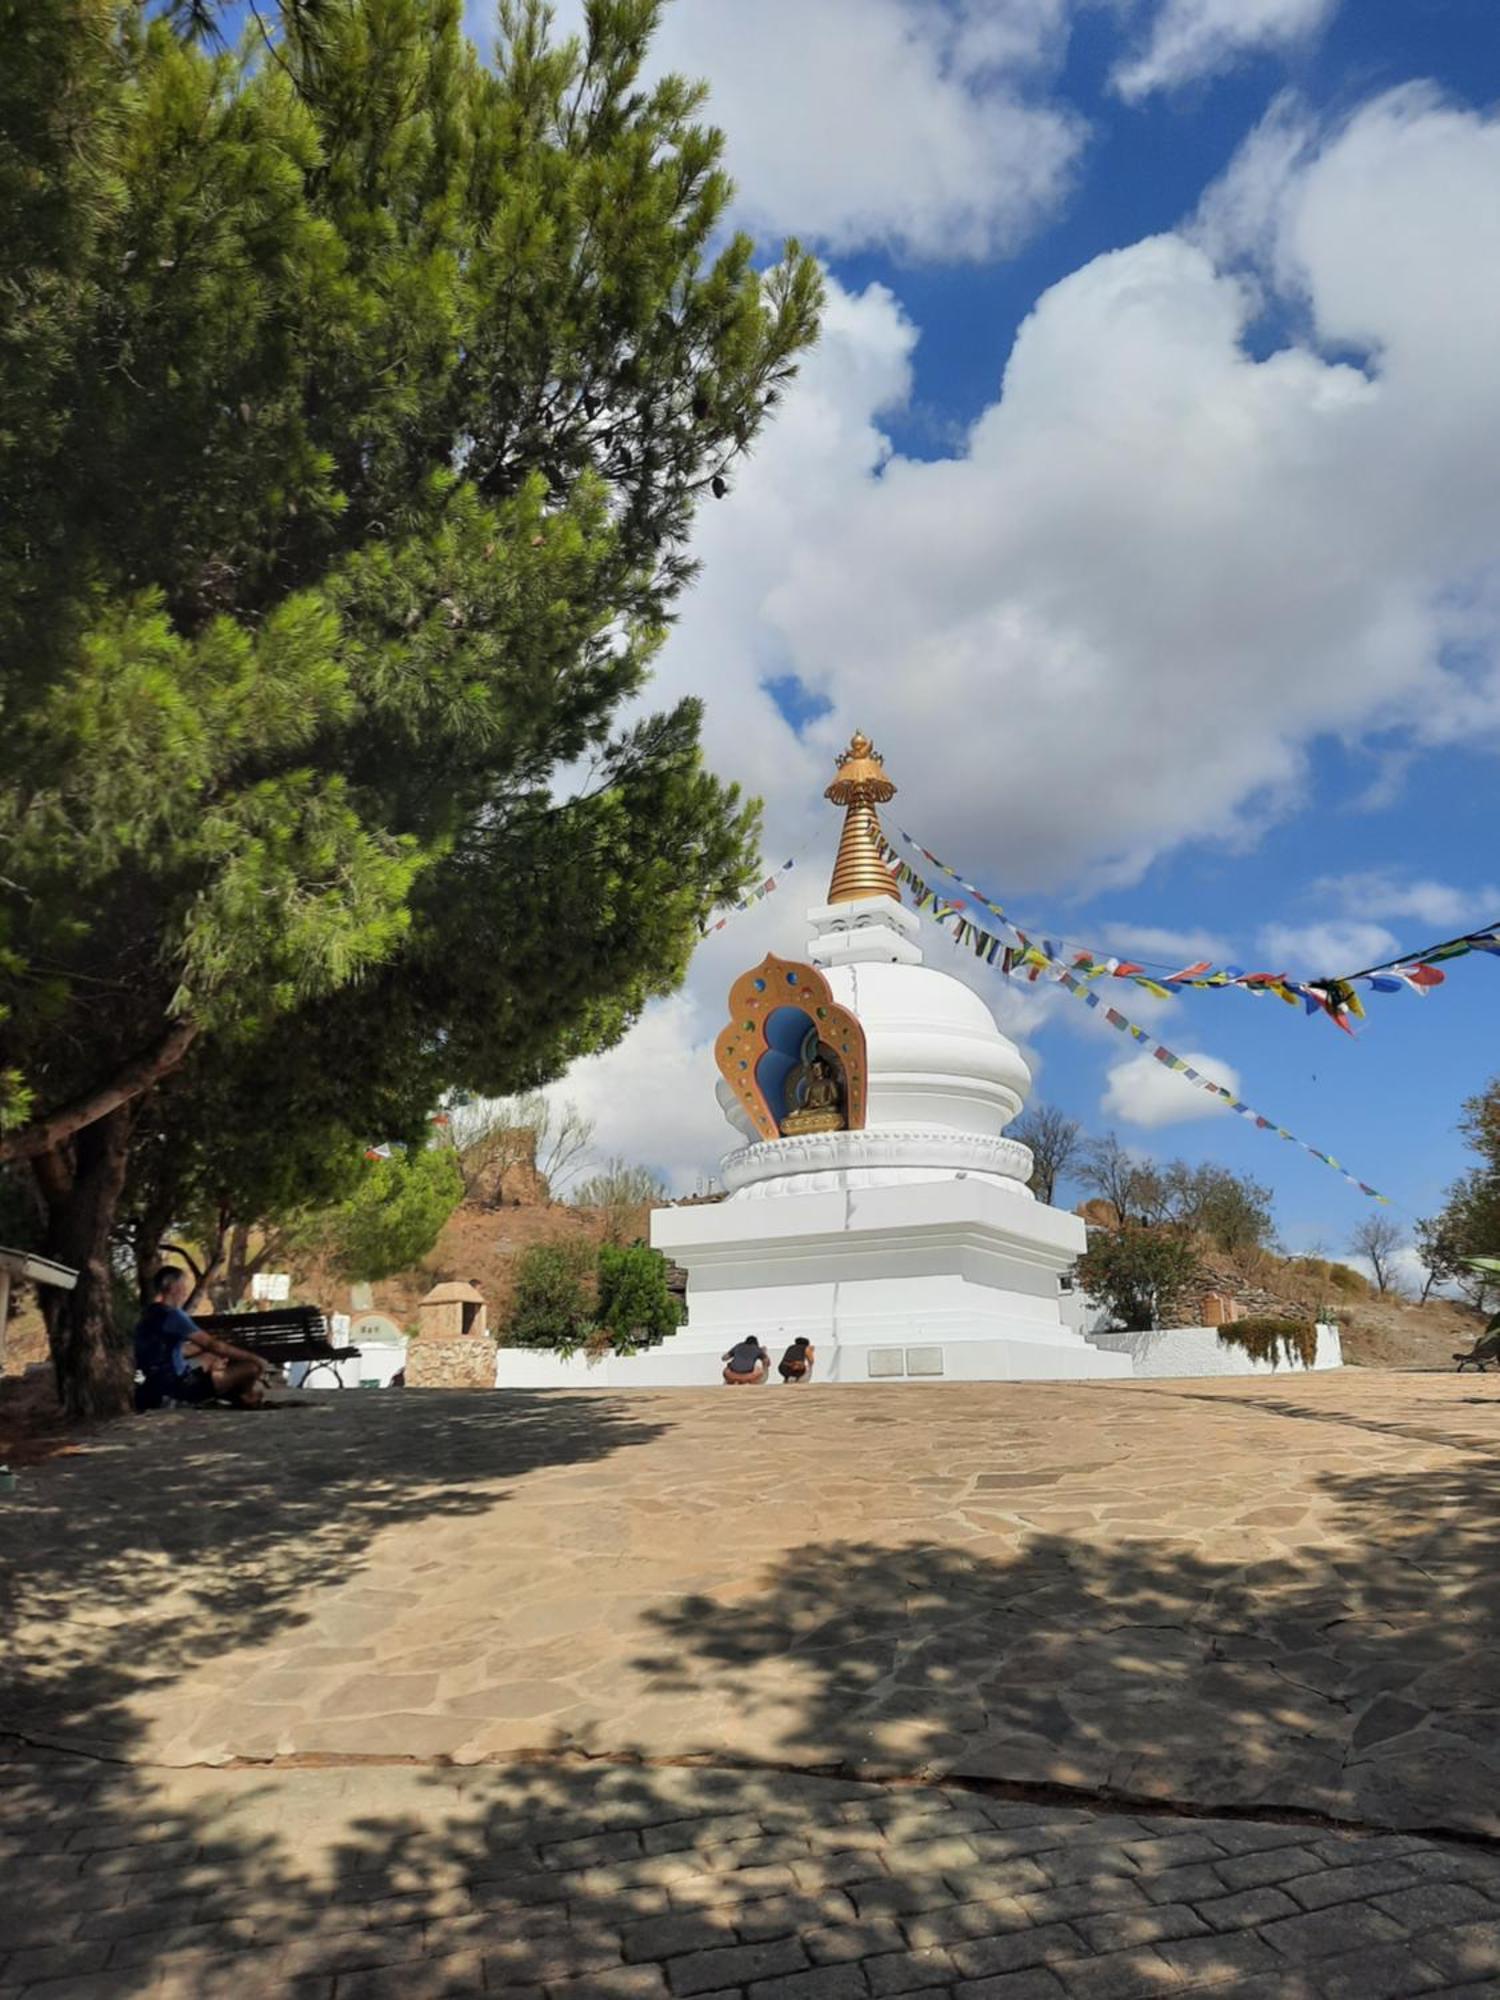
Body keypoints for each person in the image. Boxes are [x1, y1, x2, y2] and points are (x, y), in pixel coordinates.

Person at [134, 1268, 271, 1411]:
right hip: (179, 1387)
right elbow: (213, 1345)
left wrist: (207, 1351)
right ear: (174, 1288)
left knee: (211, 1356)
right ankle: (246, 1396)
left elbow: (177, 1351)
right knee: (251, 1367)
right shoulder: (173, 1315)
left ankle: (234, 1391)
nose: (186, 1292)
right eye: (184, 1286)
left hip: (155, 1383)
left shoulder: (148, 1314)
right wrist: (256, 1358)